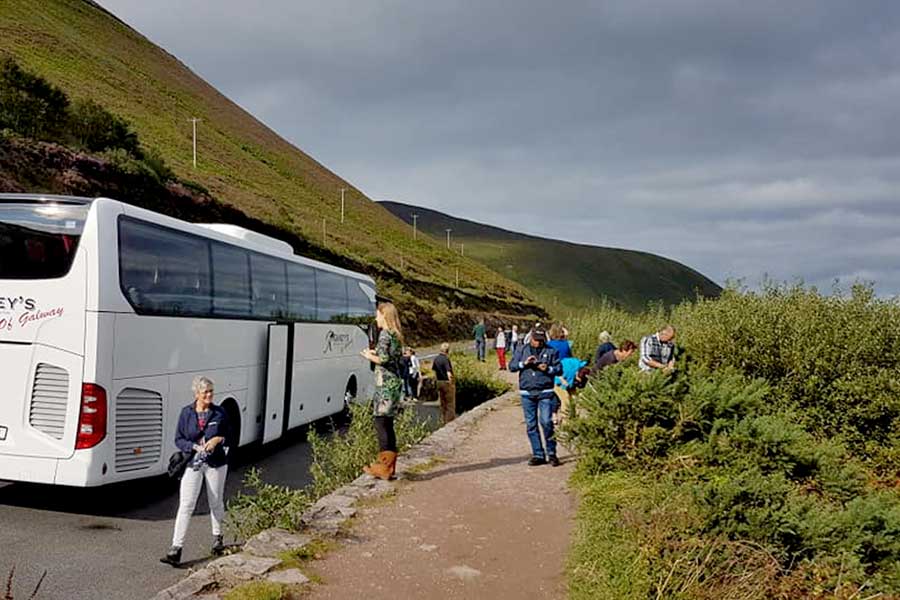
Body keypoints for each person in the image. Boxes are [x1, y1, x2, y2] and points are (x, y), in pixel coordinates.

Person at [160, 376, 230, 567]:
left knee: (215, 501)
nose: (209, 395)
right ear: (197, 394)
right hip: (193, 463)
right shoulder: (186, 413)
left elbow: (229, 435)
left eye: (211, 391)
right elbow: (178, 439)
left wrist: (217, 440)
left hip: (215, 463)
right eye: (205, 392)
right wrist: (193, 446)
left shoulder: (220, 412)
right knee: (186, 505)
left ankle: (218, 539)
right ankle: (175, 549)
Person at [361, 302, 405, 480]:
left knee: (380, 422)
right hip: (394, 384)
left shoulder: (385, 335)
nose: (375, 318)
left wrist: (368, 355)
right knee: (388, 424)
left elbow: (384, 359)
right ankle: (390, 467)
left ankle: (383, 466)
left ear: (383, 315)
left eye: (377, 315)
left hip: (385, 385)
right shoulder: (396, 335)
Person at [509, 328, 562, 466]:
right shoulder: (521, 350)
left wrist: (548, 369)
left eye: (540, 340)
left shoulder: (551, 351)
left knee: (546, 422)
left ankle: (552, 453)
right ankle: (538, 454)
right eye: (535, 339)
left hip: (545, 391)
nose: (538, 343)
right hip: (527, 392)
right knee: (531, 424)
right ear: (531, 337)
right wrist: (524, 363)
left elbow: (559, 369)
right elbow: (512, 366)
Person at [553, 357, 590, 424]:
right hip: (558, 381)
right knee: (565, 400)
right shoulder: (568, 369)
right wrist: (562, 380)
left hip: (570, 381)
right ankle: (565, 421)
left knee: (575, 399)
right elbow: (556, 373)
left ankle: (576, 419)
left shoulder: (582, 368)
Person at [432, 342, 455, 423]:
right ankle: (449, 421)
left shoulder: (436, 359)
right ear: (447, 350)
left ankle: (443, 419)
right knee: (450, 403)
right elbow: (448, 372)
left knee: (442, 403)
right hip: (446, 382)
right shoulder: (445, 359)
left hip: (439, 381)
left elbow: (434, 371)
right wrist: (451, 382)